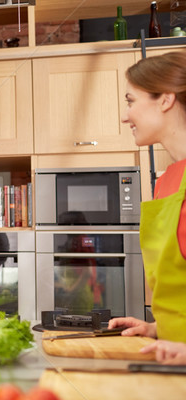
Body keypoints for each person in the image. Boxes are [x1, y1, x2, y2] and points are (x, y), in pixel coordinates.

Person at [108, 50, 186, 363]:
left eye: (130, 101)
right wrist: (158, 328)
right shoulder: (165, 181)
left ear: (165, 100)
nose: (125, 116)